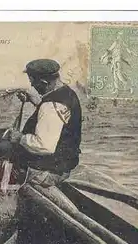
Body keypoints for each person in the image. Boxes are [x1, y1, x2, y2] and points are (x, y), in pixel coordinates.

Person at [10, 58, 82, 188]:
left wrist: (19, 138)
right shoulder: (68, 93)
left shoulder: (51, 105)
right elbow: (57, 117)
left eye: (33, 82)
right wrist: (38, 102)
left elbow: (44, 146)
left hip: (46, 173)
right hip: (63, 166)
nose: (32, 86)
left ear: (44, 82)